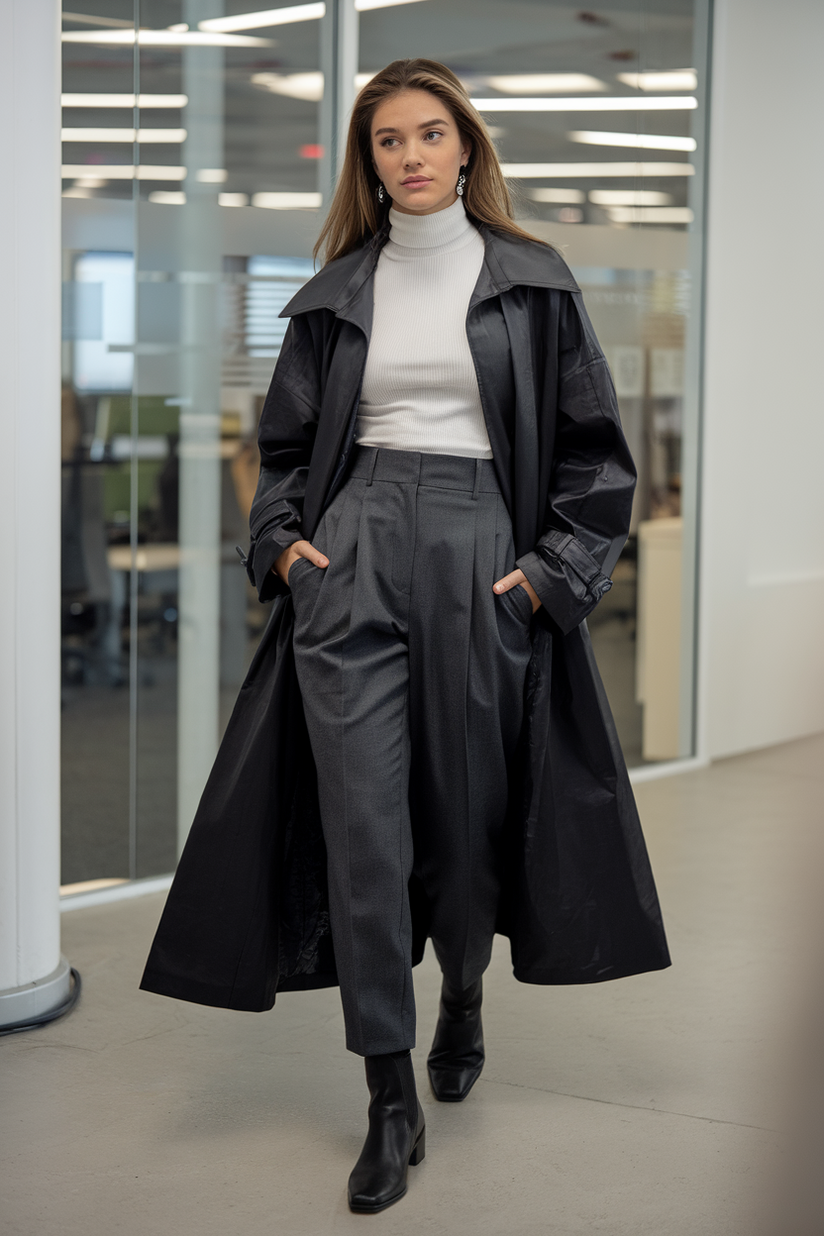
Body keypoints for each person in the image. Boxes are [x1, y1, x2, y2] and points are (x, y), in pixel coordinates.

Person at [140, 58, 670, 1215]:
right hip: (354, 553)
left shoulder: (530, 282)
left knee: (466, 830)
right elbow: (282, 451)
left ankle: (465, 993)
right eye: (389, 140)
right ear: (367, 160)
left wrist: (544, 577)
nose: (412, 155)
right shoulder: (336, 291)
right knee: (361, 828)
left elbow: (594, 456)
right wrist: (284, 545)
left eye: (431, 134)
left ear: (467, 148)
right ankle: (387, 1091)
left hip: (483, 554)